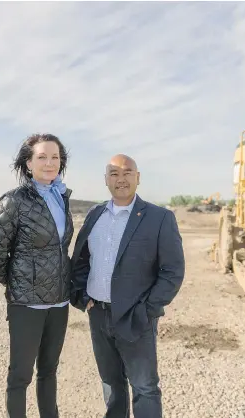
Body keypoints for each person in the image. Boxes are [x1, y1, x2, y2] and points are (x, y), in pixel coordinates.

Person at [70, 154, 185, 418]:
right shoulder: (94, 215)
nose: (120, 179)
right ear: (106, 180)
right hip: (98, 314)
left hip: (136, 317)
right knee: (111, 385)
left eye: (127, 172)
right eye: (114, 173)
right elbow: (81, 259)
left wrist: (148, 310)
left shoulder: (159, 218)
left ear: (138, 177)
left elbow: (172, 271)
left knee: (144, 387)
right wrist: (81, 296)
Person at [0, 133, 74, 418]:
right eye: (42, 157)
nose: (49, 163)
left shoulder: (62, 197)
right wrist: (18, 283)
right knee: (20, 376)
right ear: (28, 163)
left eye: (55, 157)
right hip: (27, 304)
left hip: (59, 303)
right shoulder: (14, 201)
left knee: (49, 372)